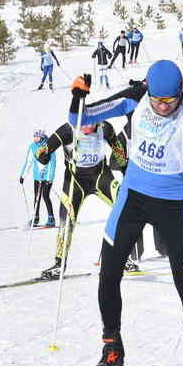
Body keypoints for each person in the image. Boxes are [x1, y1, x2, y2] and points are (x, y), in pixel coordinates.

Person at [57, 61, 183, 366]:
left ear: (179, 93)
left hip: (173, 203)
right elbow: (80, 119)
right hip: (133, 197)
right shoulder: (136, 97)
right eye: (157, 100)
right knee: (109, 272)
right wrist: (77, 95)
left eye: (168, 101)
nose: (162, 107)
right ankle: (112, 346)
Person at [35, 109, 138, 279]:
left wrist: (125, 167)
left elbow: (118, 150)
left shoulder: (105, 127)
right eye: (83, 124)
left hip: (100, 176)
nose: (88, 127)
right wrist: (43, 156)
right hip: (75, 182)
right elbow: (47, 149)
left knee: (125, 208)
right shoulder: (67, 130)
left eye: (91, 123)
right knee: (66, 221)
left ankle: (122, 257)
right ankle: (59, 264)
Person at [19, 130, 57, 227]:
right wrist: (23, 175)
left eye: (37, 137)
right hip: (37, 177)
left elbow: (53, 163)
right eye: (34, 136)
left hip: (47, 177)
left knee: (45, 195)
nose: (35, 138)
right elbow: (28, 162)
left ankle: (51, 218)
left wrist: (50, 177)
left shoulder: (49, 146)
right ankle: (36, 218)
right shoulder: (33, 147)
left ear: (42, 137)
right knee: (37, 197)